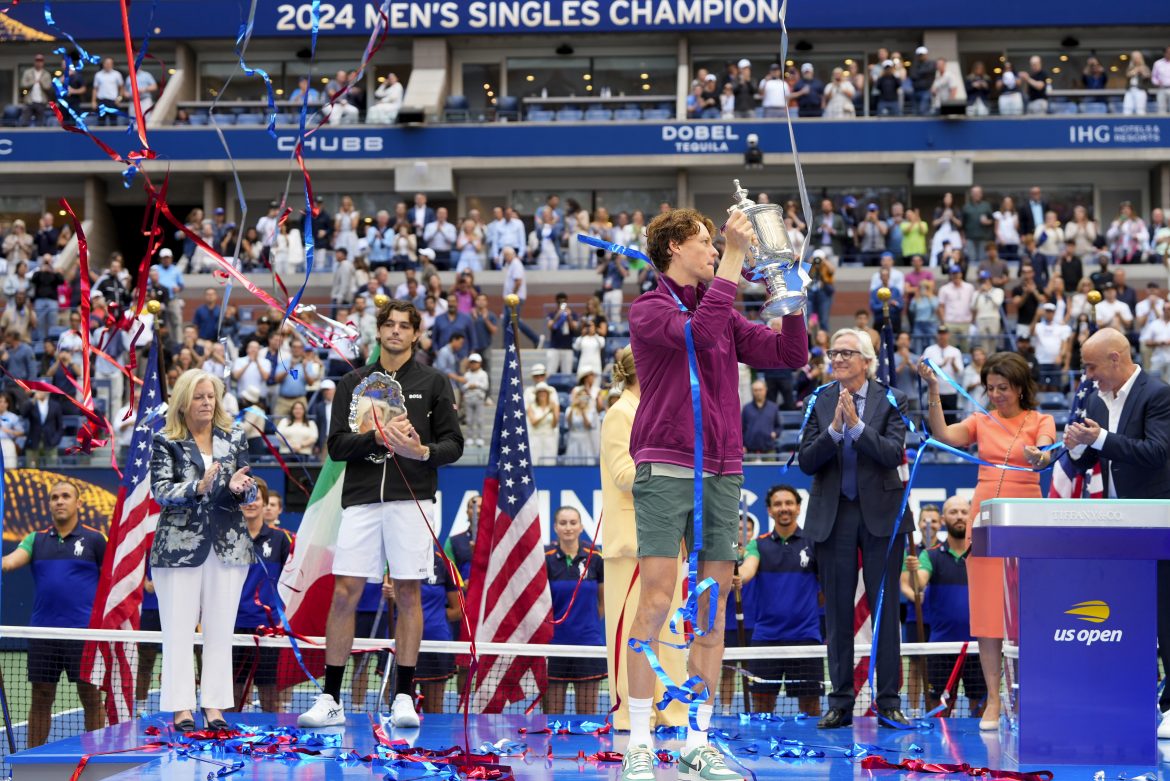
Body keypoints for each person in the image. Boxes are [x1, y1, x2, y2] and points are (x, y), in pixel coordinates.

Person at [621, 206, 807, 781]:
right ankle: (639, 739)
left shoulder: (720, 309)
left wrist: (790, 297)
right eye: (706, 242)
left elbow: (789, 356)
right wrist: (732, 255)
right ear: (675, 247)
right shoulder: (649, 309)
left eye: (717, 243)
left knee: (712, 607)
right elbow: (699, 337)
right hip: (668, 467)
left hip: (724, 472)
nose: (718, 249)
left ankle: (697, 739)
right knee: (655, 599)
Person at [298, 299, 463, 729]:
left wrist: (421, 451)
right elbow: (335, 446)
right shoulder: (353, 382)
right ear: (379, 331)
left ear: (415, 333)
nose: (395, 332)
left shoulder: (434, 382)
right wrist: (375, 436)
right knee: (344, 592)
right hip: (362, 499)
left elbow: (454, 444)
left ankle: (404, 695)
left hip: (412, 501)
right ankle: (331, 697)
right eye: (388, 325)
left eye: (403, 326)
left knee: (408, 593)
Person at [918, 351, 1055, 731]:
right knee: (987, 619)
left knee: (1032, 614)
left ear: (1021, 387)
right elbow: (942, 435)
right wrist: (933, 388)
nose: (996, 395)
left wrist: (1039, 454)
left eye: (1003, 388)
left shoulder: (1041, 419)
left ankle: (1033, 694)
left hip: (1027, 523)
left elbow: (1044, 451)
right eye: (990, 388)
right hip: (986, 524)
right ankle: (994, 700)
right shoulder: (982, 420)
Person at [798, 328, 910, 728]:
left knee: (885, 610)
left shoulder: (892, 398)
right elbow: (807, 460)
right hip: (835, 516)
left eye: (847, 353)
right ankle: (841, 701)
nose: (838, 359)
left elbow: (892, 453)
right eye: (834, 353)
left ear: (867, 361)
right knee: (839, 614)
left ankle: (890, 699)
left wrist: (858, 427)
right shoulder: (820, 400)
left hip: (882, 515)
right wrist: (833, 431)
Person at [1060, 328, 1170, 737]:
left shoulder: (1158, 394)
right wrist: (1071, 446)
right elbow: (1087, 457)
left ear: (1116, 359)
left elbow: (1156, 453)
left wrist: (1100, 438)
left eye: (1091, 366)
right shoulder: (1093, 399)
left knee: (1165, 614)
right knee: (1127, 614)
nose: (1087, 376)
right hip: (1119, 524)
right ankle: (1132, 696)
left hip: (1158, 522)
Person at [149, 369, 257, 732]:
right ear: (183, 402)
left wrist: (243, 489)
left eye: (211, 396)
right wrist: (198, 486)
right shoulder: (166, 440)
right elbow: (160, 490)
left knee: (220, 630)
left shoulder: (235, 436)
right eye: (199, 397)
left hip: (229, 546)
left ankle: (214, 706)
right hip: (178, 548)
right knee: (178, 630)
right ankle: (181, 708)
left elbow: (250, 489)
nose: (207, 403)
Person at [599, 346, 687, 730]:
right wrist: (670, 462)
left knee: (669, 629)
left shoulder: (657, 411)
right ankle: (633, 715)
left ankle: (671, 711)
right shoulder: (620, 413)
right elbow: (623, 474)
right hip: (633, 542)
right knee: (633, 633)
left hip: (666, 535)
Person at [1, 481, 106, 747]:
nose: (59, 501)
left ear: (78, 503)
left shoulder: (95, 539)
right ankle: (31, 762)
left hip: (84, 635)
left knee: (91, 697)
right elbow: (9, 562)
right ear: (49, 504)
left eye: (66, 496)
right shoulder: (35, 539)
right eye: (54, 497)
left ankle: (94, 757)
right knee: (40, 697)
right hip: (43, 634)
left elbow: (114, 579)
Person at [738, 485, 823, 716]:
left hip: (806, 639)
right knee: (762, 710)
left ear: (798, 507)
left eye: (788, 503)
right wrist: (739, 577)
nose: (783, 508)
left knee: (811, 708)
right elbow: (748, 568)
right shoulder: (758, 545)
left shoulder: (814, 543)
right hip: (766, 639)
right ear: (769, 510)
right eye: (778, 504)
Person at [901, 494, 986, 716]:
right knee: (939, 715)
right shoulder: (930, 556)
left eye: (963, 512)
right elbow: (919, 583)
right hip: (941, 648)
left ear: (971, 516)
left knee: (981, 712)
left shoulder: (984, 554)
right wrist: (913, 570)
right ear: (943, 518)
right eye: (953, 512)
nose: (959, 516)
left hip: (980, 648)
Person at [230, 476, 293, 713]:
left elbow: (293, 581)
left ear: (265, 503)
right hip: (233, 626)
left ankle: (272, 742)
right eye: (245, 498)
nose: (250, 503)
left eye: (256, 498)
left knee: (270, 697)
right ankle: (229, 741)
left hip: (269, 630)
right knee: (232, 697)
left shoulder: (280, 540)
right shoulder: (227, 538)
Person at [543, 506, 605, 714]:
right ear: (555, 528)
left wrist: (586, 624)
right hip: (554, 645)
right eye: (563, 523)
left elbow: (602, 603)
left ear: (581, 527)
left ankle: (587, 749)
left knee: (588, 719)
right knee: (551, 719)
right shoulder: (547, 559)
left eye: (573, 523)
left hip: (588, 644)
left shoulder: (595, 558)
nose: (568, 528)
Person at [526, 383, 560, 466]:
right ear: (537, 394)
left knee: (550, 463)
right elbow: (533, 423)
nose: (542, 394)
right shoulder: (531, 406)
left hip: (549, 438)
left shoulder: (553, 405)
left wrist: (554, 413)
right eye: (540, 392)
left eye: (544, 392)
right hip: (535, 439)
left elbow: (554, 425)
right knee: (535, 462)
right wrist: (547, 412)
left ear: (547, 394)